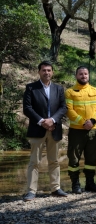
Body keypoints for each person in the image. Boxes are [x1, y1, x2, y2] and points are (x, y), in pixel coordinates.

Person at [22, 61, 68, 201]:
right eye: (43, 70)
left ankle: (55, 188)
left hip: (54, 128)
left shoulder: (59, 89)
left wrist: (52, 120)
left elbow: (63, 108)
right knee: (34, 161)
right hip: (37, 128)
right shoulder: (31, 88)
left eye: (49, 70)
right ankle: (31, 191)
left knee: (54, 160)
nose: (46, 72)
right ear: (39, 72)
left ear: (52, 72)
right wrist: (42, 121)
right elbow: (27, 108)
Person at [65, 66, 96, 194]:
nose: (83, 76)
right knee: (74, 158)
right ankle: (75, 184)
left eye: (86, 74)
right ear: (76, 76)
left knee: (91, 158)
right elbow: (69, 111)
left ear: (89, 75)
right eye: (81, 74)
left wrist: (93, 121)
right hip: (77, 130)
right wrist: (83, 122)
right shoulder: (70, 92)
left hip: (94, 130)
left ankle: (90, 183)